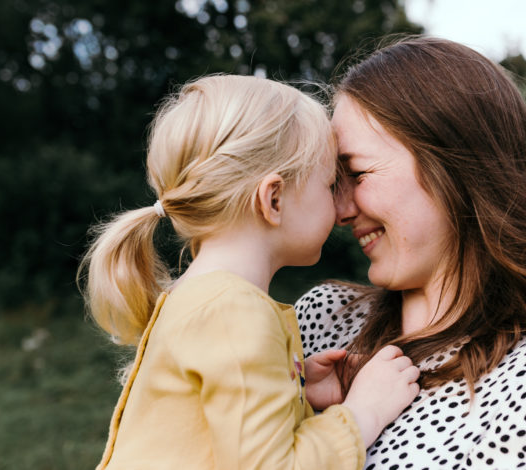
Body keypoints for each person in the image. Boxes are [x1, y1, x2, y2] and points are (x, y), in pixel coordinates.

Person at [295, 36, 526, 469]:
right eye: (334, 181)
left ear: (456, 168)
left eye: (359, 173)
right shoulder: (322, 319)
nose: (341, 210)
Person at [78, 74, 420, 470]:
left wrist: (294, 389)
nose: (342, 208)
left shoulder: (200, 298)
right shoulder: (234, 312)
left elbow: (209, 437)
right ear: (273, 199)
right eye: (329, 185)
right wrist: (364, 413)